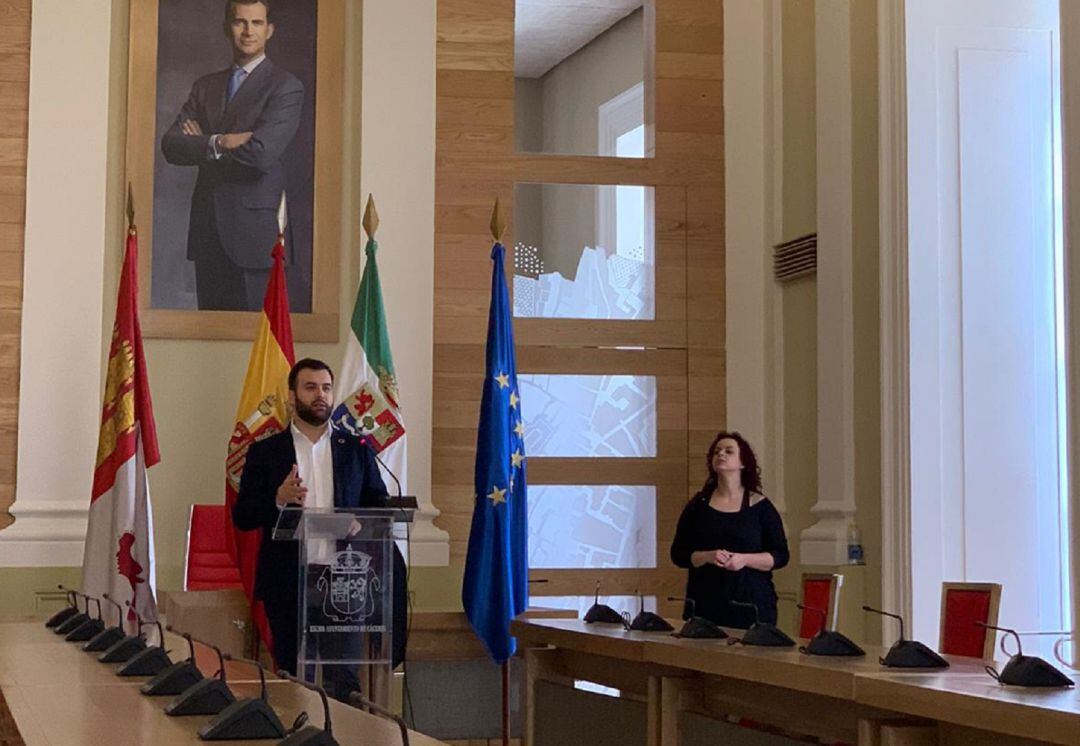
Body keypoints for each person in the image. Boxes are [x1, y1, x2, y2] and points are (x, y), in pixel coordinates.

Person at [233, 358, 406, 701]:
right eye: (310, 388)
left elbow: (378, 503)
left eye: (326, 388)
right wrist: (278, 499)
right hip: (289, 581)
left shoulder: (356, 450)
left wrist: (360, 518)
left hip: (345, 579)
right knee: (291, 679)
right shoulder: (267, 452)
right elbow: (243, 516)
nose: (320, 396)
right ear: (292, 395)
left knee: (343, 682)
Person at [161, 0, 304, 311]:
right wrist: (221, 141)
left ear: (270, 30)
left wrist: (201, 145)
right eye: (240, 22)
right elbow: (171, 145)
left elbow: (260, 155)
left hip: (255, 239)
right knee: (211, 343)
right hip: (208, 233)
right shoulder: (205, 86)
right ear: (228, 28)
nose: (248, 31)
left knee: (254, 349)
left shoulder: (285, 87)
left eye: (256, 23)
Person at [670, 431, 789, 629]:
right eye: (717, 452)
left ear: (743, 462)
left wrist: (744, 559)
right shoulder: (697, 506)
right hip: (705, 603)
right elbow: (678, 554)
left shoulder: (761, 506)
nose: (721, 455)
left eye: (728, 451)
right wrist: (707, 556)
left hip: (752, 604)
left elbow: (781, 555)